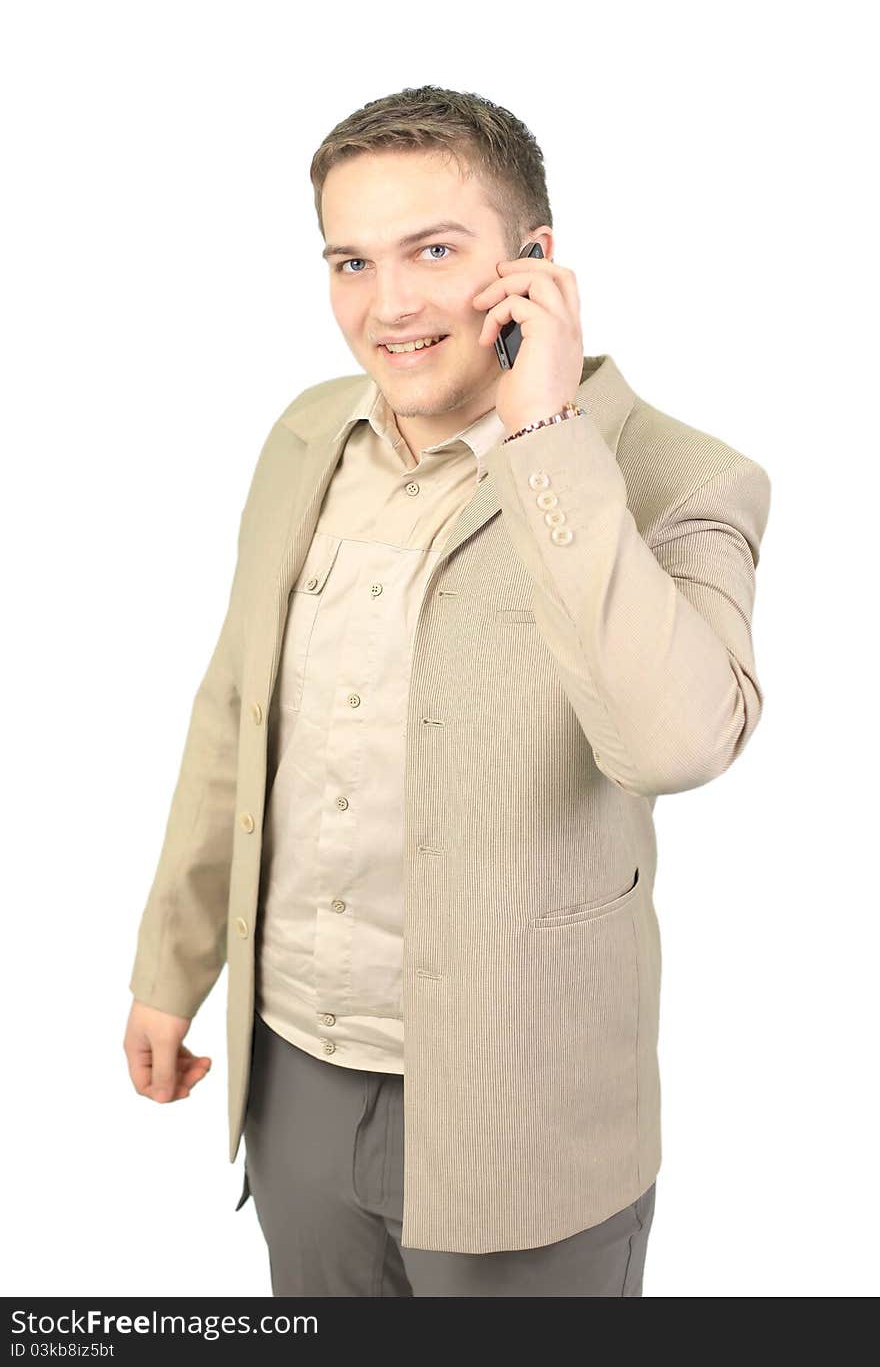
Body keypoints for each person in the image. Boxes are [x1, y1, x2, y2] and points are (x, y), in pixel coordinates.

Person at [124, 85, 771, 1297]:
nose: (389, 306)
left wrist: (546, 440)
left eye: (433, 251)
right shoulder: (307, 437)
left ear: (534, 267)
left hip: (528, 1102)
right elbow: (235, 716)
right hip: (297, 1071)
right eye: (350, 261)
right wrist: (173, 967)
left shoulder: (685, 479)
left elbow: (676, 743)